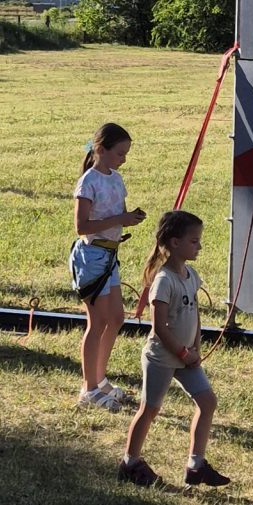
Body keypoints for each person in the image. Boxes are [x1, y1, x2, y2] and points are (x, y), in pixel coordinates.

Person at [118, 209, 228, 489]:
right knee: (150, 409)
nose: (199, 246)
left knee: (207, 402)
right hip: (162, 358)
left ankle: (196, 465)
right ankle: (130, 463)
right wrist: (182, 353)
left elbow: (195, 315)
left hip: (187, 358)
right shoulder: (164, 281)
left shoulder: (191, 275)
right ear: (175, 243)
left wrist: (196, 349)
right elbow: (159, 327)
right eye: (194, 241)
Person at [71, 123, 145, 414]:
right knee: (97, 322)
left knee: (115, 318)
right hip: (92, 257)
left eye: (126, 154)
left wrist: (127, 220)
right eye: (119, 153)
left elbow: (116, 214)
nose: (123, 159)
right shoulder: (88, 182)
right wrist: (119, 221)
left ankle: (100, 380)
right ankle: (88, 388)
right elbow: (82, 226)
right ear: (100, 150)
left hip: (109, 255)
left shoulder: (116, 179)